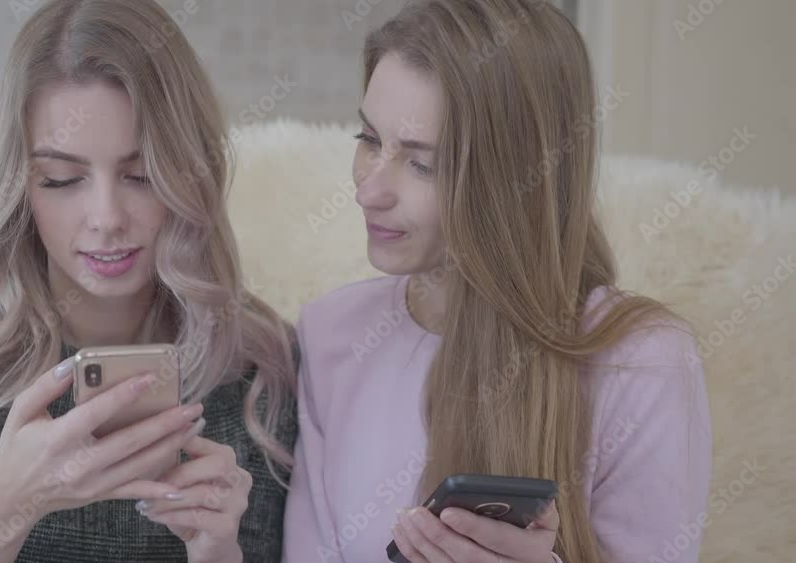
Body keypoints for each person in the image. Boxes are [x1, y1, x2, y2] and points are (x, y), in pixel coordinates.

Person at [0, 1, 297, 561]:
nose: (107, 217)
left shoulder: (258, 363)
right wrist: (6, 503)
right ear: (20, 183)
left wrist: (217, 551)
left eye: (141, 175)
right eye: (62, 179)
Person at [282, 1, 712, 562]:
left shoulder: (644, 362)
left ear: (515, 179)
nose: (367, 191)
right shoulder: (330, 334)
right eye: (368, 140)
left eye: (422, 164)